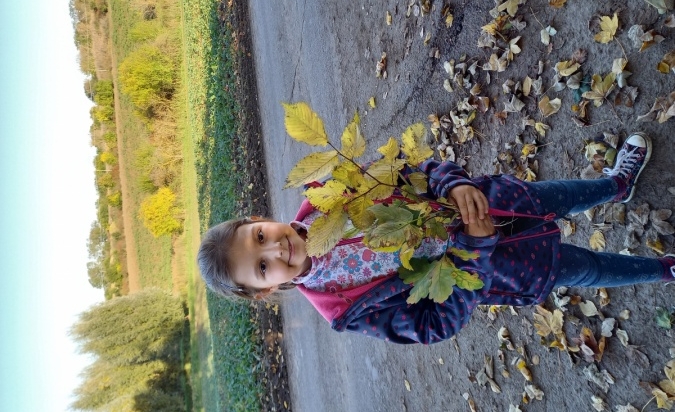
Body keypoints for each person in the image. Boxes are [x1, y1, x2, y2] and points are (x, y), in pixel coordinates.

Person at [198, 133, 675, 344]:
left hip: (498, 202)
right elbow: (432, 325)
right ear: (265, 291)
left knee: (562, 195)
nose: (276, 248)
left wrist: (454, 184)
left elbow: (413, 171)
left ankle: (615, 186)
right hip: (506, 267)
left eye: (260, 235)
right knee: (587, 268)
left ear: (259, 218)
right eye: (263, 266)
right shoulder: (345, 310)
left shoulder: (332, 192)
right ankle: (661, 268)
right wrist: (471, 251)